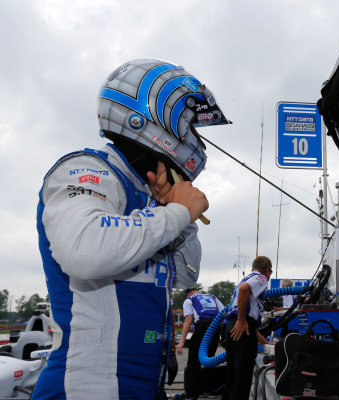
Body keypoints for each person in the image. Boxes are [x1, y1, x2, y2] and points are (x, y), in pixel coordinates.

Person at [33, 58, 230, 399]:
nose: (194, 139)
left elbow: (184, 276)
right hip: (85, 387)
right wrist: (176, 214)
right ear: (151, 118)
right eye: (190, 127)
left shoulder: (149, 199)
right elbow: (84, 251)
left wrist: (176, 215)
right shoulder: (88, 168)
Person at [222, 256, 273, 400]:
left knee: (233, 376)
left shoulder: (243, 281)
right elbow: (246, 291)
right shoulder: (260, 278)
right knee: (242, 378)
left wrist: (266, 343)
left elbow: (249, 326)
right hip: (240, 326)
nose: (269, 276)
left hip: (232, 327)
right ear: (267, 270)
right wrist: (241, 319)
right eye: (271, 272)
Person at [176, 288, 224, 399]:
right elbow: (223, 313)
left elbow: (188, 319)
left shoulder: (189, 300)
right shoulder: (212, 297)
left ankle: (192, 394)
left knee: (193, 362)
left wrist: (181, 341)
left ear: (187, 294)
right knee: (209, 360)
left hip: (202, 327)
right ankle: (208, 390)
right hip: (215, 328)